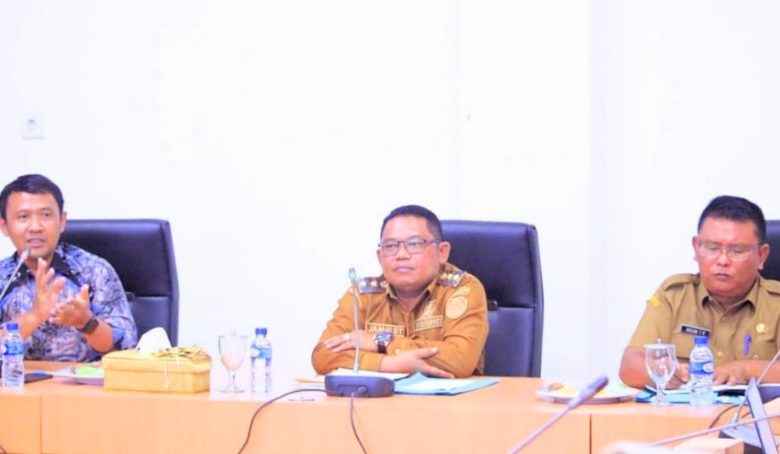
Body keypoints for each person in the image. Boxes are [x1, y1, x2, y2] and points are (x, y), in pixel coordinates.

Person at [619, 195, 780, 389]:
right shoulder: (674, 296)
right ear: (696, 248)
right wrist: (662, 371)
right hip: (686, 408)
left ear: (761, 255)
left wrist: (744, 370)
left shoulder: (776, 303)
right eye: (712, 248)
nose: (723, 260)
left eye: (737, 251)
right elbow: (629, 365)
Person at [312, 205, 489, 378]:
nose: (401, 254)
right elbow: (323, 356)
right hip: (382, 397)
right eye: (390, 246)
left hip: (453, 397)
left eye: (414, 244)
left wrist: (380, 341)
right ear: (380, 257)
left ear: (442, 252)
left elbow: (460, 358)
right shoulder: (362, 295)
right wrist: (389, 364)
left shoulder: (462, 288)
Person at [0, 174, 137, 362]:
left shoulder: (94, 270)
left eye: (46, 215)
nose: (36, 227)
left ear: (62, 221)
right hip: (17, 380)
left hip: (82, 380)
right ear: (4, 226)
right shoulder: (3, 277)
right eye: (23, 217)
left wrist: (86, 322)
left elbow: (126, 346)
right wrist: (34, 316)